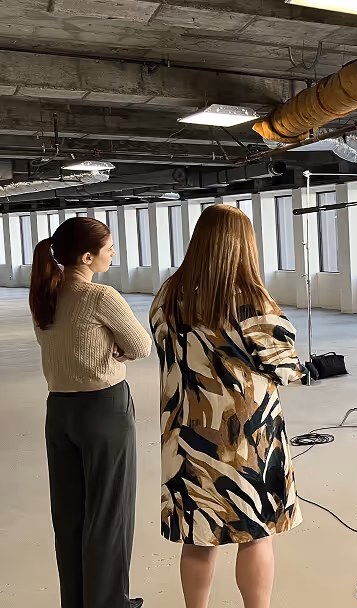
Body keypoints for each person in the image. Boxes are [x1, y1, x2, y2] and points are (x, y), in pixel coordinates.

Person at [150, 205, 303, 608]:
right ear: (243, 245)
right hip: (245, 436)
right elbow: (286, 366)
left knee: (198, 535)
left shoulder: (169, 294)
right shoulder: (250, 298)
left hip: (185, 434)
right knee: (254, 531)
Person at [30, 217, 152, 608]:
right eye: (109, 247)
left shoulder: (44, 296)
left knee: (69, 515)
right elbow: (141, 346)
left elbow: (60, 346)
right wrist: (118, 348)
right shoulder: (101, 296)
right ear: (87, 256)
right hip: (103, 410)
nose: (113, 253)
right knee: (109, 512)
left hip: (59, 412)